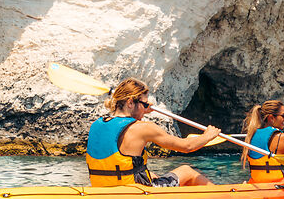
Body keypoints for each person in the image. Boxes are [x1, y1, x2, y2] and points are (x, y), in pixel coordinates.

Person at [85, 77, 220, 187]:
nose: (145, 108)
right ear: (130, 102)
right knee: (187, 171)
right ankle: (221, 196)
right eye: (144, 104)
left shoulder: (97, 124)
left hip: (104, 189)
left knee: (152, 174)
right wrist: (207, 136)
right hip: (135, 192)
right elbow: (187, 147)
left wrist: (142, 108)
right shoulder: (144, 128)